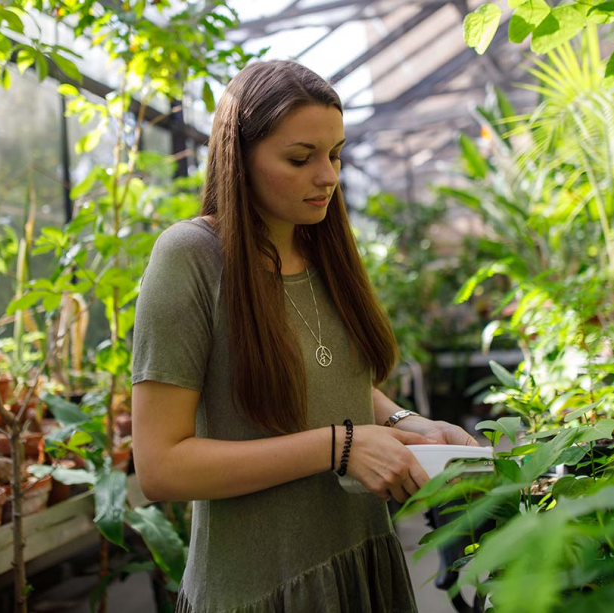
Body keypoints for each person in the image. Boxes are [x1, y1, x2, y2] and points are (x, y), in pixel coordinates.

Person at [131, 59, 479, 613]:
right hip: (261, 586)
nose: (328, 176)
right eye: (301, 158)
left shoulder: (322, 249)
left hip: (361, 559)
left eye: (336, 154)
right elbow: (161, 466)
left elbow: (332, 380)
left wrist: (410, 426)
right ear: (237, 157)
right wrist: (339, 447)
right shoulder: (192, 258)